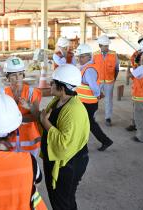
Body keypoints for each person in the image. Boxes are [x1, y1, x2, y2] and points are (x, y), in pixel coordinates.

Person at [39, 64, 90, 209]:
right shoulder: (58, 101)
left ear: (62, 88)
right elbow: (44, 119)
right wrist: (35, 112)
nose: (50, 84)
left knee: (63, 202)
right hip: (55, 160)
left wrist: (44, 122)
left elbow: (64, 143)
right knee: (57, 199)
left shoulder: (74, 111)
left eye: (53, 82)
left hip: (69, 164)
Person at [75, 44, 114, 151]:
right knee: (88, 123)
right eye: (79, 57)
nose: (80, 59)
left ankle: (105, 141)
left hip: (88, 103)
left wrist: (98, 94)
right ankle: (104, 141)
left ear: (89, 56)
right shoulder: (86, 68)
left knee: (89, 124)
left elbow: (93, 85)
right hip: (86, 102)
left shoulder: (89, 70)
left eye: (82, 56)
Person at [3, 56, 42, 157]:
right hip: (9, 142)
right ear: (7, 77)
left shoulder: (32, 92)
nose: (18, 78)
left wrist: (15, 119)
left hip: (30, 141)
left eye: (20, 74)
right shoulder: (2, 94)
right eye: (13, 75)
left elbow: (36, 116)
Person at [126, 35, 143, 131]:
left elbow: (134, 71)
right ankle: (139, 125)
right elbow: (135, 67)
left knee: (142, 108)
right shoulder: (137, 54)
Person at [93, 34, 119, 126]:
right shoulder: (95, 55)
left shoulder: (114, 54)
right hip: (98, 81)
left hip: (109, 82)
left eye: (107, 45)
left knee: (108, 100)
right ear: (100, 46)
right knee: (95, 99)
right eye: (105, 46)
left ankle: (108, 118)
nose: (107, 47)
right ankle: (93, 116)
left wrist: (113, 79)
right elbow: (92, 68)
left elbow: (116, 69)